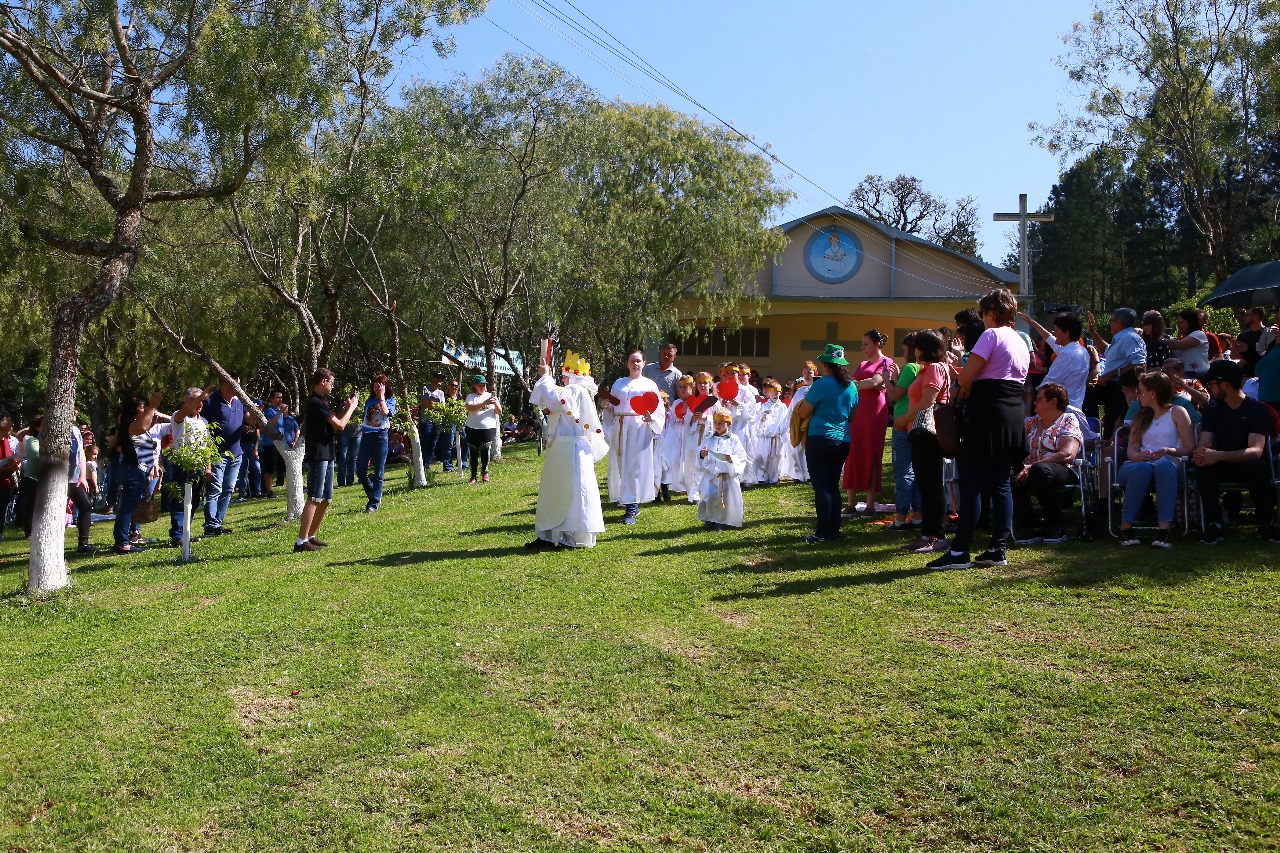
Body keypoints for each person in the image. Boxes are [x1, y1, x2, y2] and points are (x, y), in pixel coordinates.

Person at [929, 289, 1029, 570]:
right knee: (1001, 483)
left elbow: (969, 376)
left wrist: (958, 381)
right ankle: (997, 549)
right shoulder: (1021, 341)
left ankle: (960, 551)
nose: (983, 320)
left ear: (991, 313)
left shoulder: (991, 335)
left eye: (983, 314)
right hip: (1012, 415)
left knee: (971, 482)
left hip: (986, 414)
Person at [525, 353, 609, 549]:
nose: (562, 379)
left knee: (571, 493)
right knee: (554, 491)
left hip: (571, 449)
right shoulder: (575, 390)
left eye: (565, 375)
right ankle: (548, 534)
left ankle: (568, 536)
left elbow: (554, 402)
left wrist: (545, 376)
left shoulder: (576, 390)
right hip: (562, 447)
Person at [1193, 360, 1279, 544]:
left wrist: (1218, 455)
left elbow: (1255, 450)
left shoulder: (1257, 411)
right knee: (1204, 468)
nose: (1210, 388)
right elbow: (1205, 441)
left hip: (1247, 464)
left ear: (1225, 385)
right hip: (1222, 463)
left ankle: (1265, 523)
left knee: (1256, 466)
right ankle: (1214, 524)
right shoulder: (1212, 411)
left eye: (1212, 384)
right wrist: (1201, 454)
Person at [1116, 372, 1196, 547]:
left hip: (1168, 464)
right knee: (1141, 468)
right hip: (1139, 465)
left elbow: (1189, 447)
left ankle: (1164, 529)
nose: (1138, 396)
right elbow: (1131, 449)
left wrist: (1168, 450)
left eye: (1141, 392)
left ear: (1153, 394)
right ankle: (1126, 528)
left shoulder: (1177, 412)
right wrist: (1137, 456)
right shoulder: (1140, 416)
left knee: (1165, 466)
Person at [794, 344, 858, 543]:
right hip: (842, 440)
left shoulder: (821, 385)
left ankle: (823, 532)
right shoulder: (852, 386)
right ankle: (834, 529)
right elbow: (853, 416)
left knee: (821, 487)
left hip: (820, 439)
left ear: (825, 364)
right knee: (832, 486)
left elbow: (803, 412)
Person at [898, 330, 951, 554]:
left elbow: (929, 400)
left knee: (932, 485)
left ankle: (937, 535)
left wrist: (903, 417)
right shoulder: (926, 369)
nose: (914, 350)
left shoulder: (935, 368)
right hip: (919, 433)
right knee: (925, 484)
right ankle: (927, 533)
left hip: (929, 434)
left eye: (917, 346)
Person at [296, 369, 360, 552]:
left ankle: (311, 536)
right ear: (323, 381)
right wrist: (352, 408)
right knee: (315, 497)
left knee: (326, 498)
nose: (332, 385)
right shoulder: (315, 402)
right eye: (331, 382)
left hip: (328, 452)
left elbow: (334, 425)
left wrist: (346, 408)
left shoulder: (324, 402)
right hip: (318, 454)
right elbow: (340, 425)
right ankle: (301, 541)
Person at [1012, 383, 1083, 544]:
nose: (1035, 402)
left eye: (1039, 399)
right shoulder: (1030, 423)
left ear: (1053, 402)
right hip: (1030, 470)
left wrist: (1031, 467)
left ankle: (1056, 526)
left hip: (1063, 471)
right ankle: (1031, 526)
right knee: (1009, 477)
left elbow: (1067, 454)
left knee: (1040, 470)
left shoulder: (1068, 420)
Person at [603, 348, 665, 524]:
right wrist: (607, 406)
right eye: (632, 361)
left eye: (638, 361)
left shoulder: (649, 385)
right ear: (627, 363)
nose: (635, 364)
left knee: (636, 466)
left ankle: (632, 505)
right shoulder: (619, 384)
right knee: (622, 464)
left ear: (644, 363)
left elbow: (658, 410)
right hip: (621, 427)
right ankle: (626, 497)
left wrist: (651, 419)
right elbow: (613, 407)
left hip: (639, 427)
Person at [842, 329, 896, 517]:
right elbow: (859, 383)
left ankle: (870, 505)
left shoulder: (886, 362)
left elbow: (875, 382)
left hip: (875, 413)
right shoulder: (863, 363)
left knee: (872, 454)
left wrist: (857, 383)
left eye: (866, 344)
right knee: (853, 453)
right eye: (862, 344)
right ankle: (850, 503)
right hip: (857, 413)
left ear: (877, 344)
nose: (862, 348)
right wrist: (861, 383)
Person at [157, 386, 213, 547]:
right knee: (181, 499)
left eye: (202, 401)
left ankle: (185, 532)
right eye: (197, 400)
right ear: (187, 401)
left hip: (198, 465)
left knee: (194, 500)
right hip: (182, 464)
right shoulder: (179, 417)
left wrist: (207, 467)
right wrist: (200, 396)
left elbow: (206, 446)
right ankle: (177, 534)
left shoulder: (203, 421)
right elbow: (183, 412)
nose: (200, 404)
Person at [113, 393, 165, 554]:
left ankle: (123, 540)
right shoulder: (129, 424)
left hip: (139, 472)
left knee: (129, 507)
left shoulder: (137, 424)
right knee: (127, 508)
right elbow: (141, 428)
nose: (145, 409)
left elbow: (145, 428)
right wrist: (153, 407)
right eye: (142, 406)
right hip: (133, 471)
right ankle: (122, 543)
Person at [884, 332, 923, 532]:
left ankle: (900, 516)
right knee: (916, 471)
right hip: (918, 424)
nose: (903, 351)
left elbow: (895, 395)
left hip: (902, 423)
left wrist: (887, 380)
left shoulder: (910, 367)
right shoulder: (925, 367)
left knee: (903, 471)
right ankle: (917, 515)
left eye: (905, 347)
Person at [201, 373, 246, 537]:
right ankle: (210, 525)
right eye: (236, 383)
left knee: (227, 489)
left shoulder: (240, 401)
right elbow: (203, 430)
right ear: (225, 385)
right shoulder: (210, 402)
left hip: (236, 454)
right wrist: (207, 460)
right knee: (215, 489)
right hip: (217, 454)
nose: (239, 387)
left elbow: (250, 420)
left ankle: (217, 523)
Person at [1019, 311, 1091, 410]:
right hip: (1074, 407)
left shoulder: (1068, 355)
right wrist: (1033, 323)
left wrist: (1035, 398)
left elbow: (1049, 382)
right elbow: (1051, 339)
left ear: (1066, 333)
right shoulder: (1080, 351)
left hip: (1060, 410)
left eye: (1056, 330)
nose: (1054, 333)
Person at [1096, 308, 1148, 439]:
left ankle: (1114, 454)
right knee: (1109, 422)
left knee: (1116, 425)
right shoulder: (1121, 338)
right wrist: (1092, 331)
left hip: (1123, 389)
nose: (1110, 323)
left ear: (1118, 322)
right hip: (1113, 389)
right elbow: (1105, 351)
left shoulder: (1130, 338)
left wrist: (1111, 374)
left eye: (1111, 320)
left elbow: (1139, 364)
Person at [697, 408, 749, 531]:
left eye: (721, 423)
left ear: (729, 424)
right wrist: (702, 454)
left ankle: (722, 521)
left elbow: (741, 457)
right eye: (715, 422)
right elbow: (699, 454)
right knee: (709, 496)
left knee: (724, 499)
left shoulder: (734, 439)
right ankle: (710, 518)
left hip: (726, 476)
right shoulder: (710, 439)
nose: (718, 426)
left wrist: (731, 459)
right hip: (712, 475)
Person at [357, 372, 396, 511]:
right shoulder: (368, 401)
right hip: (367, 436)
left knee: (379, 471)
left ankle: (373, 504)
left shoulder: (390, 400)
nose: (377, 388)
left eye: (380, 385)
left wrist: (381, 397)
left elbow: (386, 412)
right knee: (360, 470)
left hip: (381, 436)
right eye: (375, 385)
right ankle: (373, 494)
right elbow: (365, 419)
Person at [781, 361, 818, 483]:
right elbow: (792, 408)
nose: (807, 375)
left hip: (812, 423)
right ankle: (798, 474)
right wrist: (788, 423)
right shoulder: (800, 390)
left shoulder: (818, 388)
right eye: (805, 373)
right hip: (799, 422)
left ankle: (810, 474)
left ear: (815, 373)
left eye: (810, 372)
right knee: (797, 449)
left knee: (810, 449)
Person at [464, 375, 501, 484]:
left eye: (484, 385)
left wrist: (495, 404)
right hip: (472, 428)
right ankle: (473, 476)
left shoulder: (491, 396)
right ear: (474, 385)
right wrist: (485, 403)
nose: (483, 387)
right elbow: (469, 407)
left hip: (488, 428)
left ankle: (485, 472)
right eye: (480, 385)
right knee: (473, 452)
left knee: (485, 450)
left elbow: (499, 412)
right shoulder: (471, 396)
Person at [754, 379, 789, 484]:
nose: (775, 395)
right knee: (763, 456)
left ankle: (774, 477)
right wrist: (762, 419)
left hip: (777, 437)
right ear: (768, 393)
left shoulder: (782, 407)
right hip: (766, 436)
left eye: (777, 393)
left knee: (776, 457)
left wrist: (780, 432)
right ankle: (762, 477)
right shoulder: (764, 406)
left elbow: (785, 421)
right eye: (772, 393)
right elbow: (758, 420)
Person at [1168, 308, 1211, 378]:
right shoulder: (1184, 338)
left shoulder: (1199, 334)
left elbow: (1178, 345)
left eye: (1181, 323)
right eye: (1177, 323)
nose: (1178, 325)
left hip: (1199, 375)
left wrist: (1157, 338)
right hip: (1185, 374)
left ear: (1190, 323)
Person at [418, 372, 446, 467]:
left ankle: (427, 464)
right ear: (433, 378)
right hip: (426, 421)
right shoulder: (425, 389)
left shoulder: (441, 393)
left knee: (433, 443)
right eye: (438, 377)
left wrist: (433, 404)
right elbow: (425, 403)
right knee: (425, 442)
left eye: (441, 378)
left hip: (437, 421)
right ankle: (421, 463)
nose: (439, 380)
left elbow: (443, 407)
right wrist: (433, 405)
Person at [0, 413, 19, 541]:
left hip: (5, 485)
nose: (12, 424)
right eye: (9, 421)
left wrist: (14, 464)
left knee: (1, 517)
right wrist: (10, 468)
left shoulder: (6, 441)